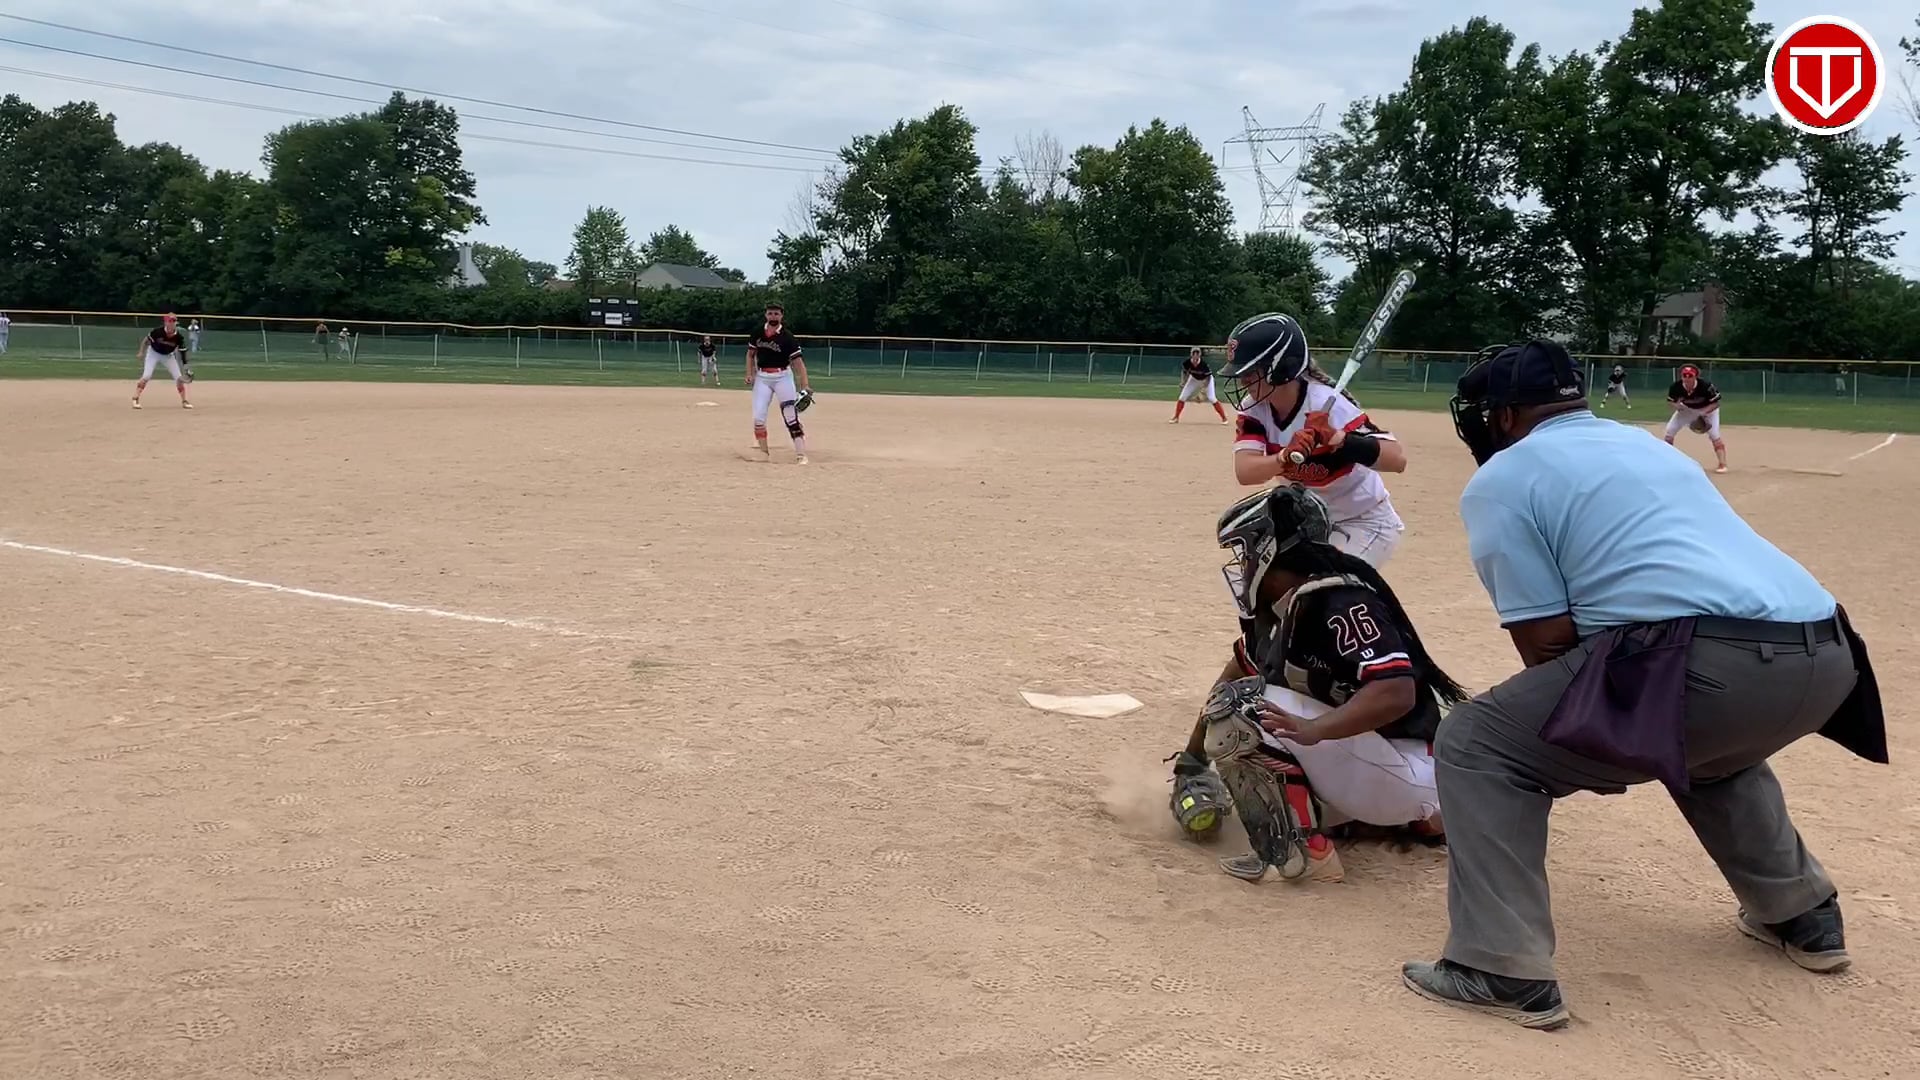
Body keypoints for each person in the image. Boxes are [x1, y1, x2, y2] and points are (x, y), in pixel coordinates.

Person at [1400, 339, 1885, 1030]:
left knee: (1476, 742)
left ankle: (1499, 965)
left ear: (1505, 415)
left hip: (1708, 665)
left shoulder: (1503, 478)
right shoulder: (1647, 446)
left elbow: (1547, 646)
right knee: (1708, 748)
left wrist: (1592, 743)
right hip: (1830, 654)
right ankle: (1803, 916)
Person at [1166, 485, 1468, 884]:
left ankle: (1308, 854)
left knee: (1243, 710)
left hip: (1409, 773)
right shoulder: (1283, 608)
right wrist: (1191, 763)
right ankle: (1397, 821)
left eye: (1246, 552)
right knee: (1243, 706)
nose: (1243, 564)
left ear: (1270, 551)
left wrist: (1315, 729)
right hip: (1382, 770)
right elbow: (1235, 670)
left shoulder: (1340, 601)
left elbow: (1396, 691)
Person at [1219, 312, 1409, 567]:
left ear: (1281, 368)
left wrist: (1339, 439)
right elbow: (1246, 472)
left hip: (1363, 521)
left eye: (1251, 371)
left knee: (1322, 583)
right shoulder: (1254, 408)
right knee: (1259, 582)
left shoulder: (1327, 404)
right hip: (1309, 523)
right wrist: (1284, 457)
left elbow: (1397, 460)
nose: (1242, 379)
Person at [744, 302, 811, 464]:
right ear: (765, 315)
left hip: (783, 377)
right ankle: (764, 453)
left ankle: (801, 454)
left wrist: (805, 385)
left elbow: (798, 363)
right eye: (770, 313)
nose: (773, 316)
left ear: (781, 316)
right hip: (762, 378)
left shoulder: (787, 337)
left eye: (776, 313)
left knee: (790, 416)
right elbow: (750, 354)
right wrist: (749, 373)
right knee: (758, 418)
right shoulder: (757, 332)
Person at [1665, 364, 1726, 472]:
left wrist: (1703, 412)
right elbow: (1670, 401)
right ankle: (1666, 461)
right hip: (1687, 410)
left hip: (1708, 410)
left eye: (1690, 375)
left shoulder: (1706, 386)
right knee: (1670, 431)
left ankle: (1722, 464)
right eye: (1684, 375)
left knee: (1714, 435)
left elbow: (1716, 403)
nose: (1687, 378)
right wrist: (1677, 406)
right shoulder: (1676, 387)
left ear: (1696, 376)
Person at [133, 313, 193, 409]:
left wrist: (186, 366)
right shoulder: (157, 332)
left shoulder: (179, 337)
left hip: (168, 356)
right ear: (165, 322)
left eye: (174, 321)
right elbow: (146, 340)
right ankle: (135, 398)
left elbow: (183, 352)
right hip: (153, 353)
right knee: (147, 375)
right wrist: (141, 352)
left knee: (178, 378)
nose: (172, 323)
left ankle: (184, 401)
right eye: (170, 321)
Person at [1170, 347, 1229, 424]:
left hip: (1206, 379)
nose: (1195, 355)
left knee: (1212, 398)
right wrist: (1183, 382)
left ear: (1199, 355)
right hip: (1194, 379)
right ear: (1191, 355)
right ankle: (1176, 417)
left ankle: (1224, 418)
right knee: (1182, 397)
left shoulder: (1203, 364)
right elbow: (1184, 372)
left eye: (1197, 353)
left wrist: (1203, 391)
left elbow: (1208, 378)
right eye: (1194, 353)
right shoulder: (1187, 363)